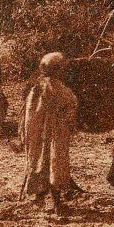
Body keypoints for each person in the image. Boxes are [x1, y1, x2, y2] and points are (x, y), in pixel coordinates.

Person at [19, 52, 78, 218]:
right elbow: (71, 102)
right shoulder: (57, 87)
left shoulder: (35, 86)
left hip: (37, 135)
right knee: (55, 165)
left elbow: (28, 112)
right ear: (57, 70)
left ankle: (39, 197)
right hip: (54, 134)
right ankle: (57, 205)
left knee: (38, 163)